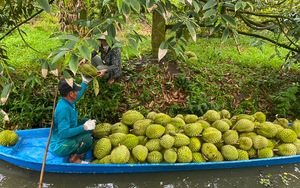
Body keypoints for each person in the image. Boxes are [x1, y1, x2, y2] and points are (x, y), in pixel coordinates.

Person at [50, 76, 95, 164]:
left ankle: (78, 149)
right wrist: (84, 128)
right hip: (60, 145)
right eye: (76, 91)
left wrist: (85, 82)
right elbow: (63, 133)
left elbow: (78, 96)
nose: (77, 92)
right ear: (71, 94)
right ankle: (74, 159)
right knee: (87, 139)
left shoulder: (67, 100)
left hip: (67, 134)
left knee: (86, 121)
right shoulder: (64, 109)